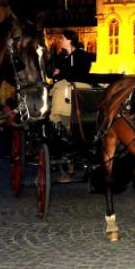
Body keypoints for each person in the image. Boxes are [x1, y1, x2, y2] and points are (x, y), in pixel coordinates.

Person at [49, 29, 91, 182]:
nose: (60, 40)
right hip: (66, 86)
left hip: (75, 87)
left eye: (62, 38)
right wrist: (58, 72)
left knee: (63, 91)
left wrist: (63, 72)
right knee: (59, 90)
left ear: (69, 40)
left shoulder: (81, 55)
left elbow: (81, 72)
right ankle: (62, 121)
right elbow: (53, 73)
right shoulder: (61, 56)